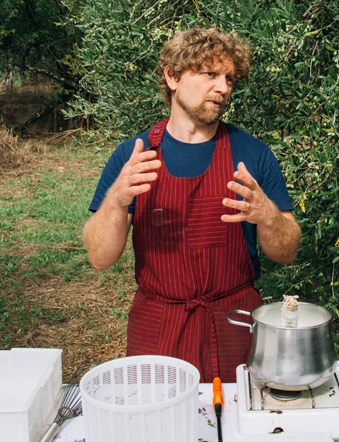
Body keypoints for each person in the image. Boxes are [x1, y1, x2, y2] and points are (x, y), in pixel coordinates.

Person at [83, 27, 301, 382]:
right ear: (172, 76)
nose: (224, 87)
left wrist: (268, 216)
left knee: (236, 430)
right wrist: (116, 200)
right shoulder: (132, 157)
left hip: (235, 324)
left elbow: (287, 251)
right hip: (157, 327)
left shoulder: (253, 155)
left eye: (230, 78)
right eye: (210, 74)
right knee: (156, 430)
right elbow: (100, 257)